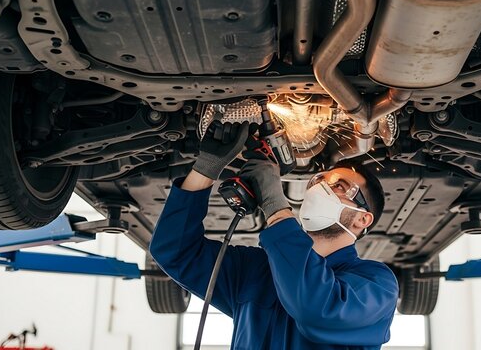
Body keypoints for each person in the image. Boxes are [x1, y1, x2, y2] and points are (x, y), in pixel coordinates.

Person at [150, 121, 399, 349]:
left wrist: (275, 207)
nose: (320, 189)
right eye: (318, 181)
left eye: (339, 186)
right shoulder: (257, 270)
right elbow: (175, 252)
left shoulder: (377, 284)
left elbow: (316, 308)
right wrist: (207, 168)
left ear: (361, 218)